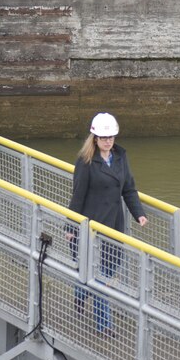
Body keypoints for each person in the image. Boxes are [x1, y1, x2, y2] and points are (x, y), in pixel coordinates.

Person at [67, 112, 147, 336]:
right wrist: (71, 227)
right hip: (91, 227)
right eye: (104, 138)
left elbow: (128, 188)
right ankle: (104, 325)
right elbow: (78, 196)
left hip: (114, 225)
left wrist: (138, 213)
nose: (108, 141)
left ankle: (80, 295)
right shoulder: (85, 162)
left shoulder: (120, 158)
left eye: (111, 136)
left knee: (107, 272)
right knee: (99, 277)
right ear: (94, 138)